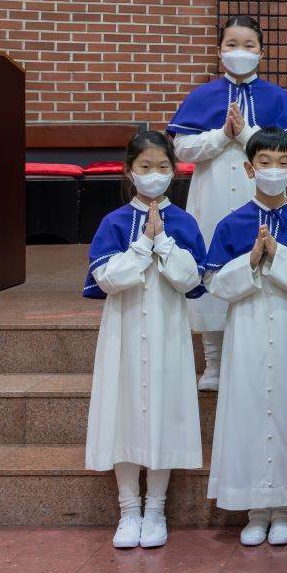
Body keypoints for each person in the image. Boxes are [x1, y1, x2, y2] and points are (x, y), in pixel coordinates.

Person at [202, 128, 287, 548]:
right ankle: (255, 509)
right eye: (265, 162)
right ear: (249, 168)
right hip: (247, 328)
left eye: (282, 163)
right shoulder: (232, 222)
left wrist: (280, 256)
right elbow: (213, 282)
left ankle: (286, 508)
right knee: (247, 410)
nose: (273, 170)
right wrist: (250, 260)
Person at [81, 131, 206, 550]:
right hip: (125, 330)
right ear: (129, 171)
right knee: (123, 412)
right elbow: (107, 278)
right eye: (146, 167)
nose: (155, 174)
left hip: (168, 329)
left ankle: (155, 509)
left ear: (175, 171)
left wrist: (164, 242)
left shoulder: (184, 222)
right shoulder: (114, 222)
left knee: (163, 413)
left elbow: (190, 279)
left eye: (163, 167)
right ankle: (128, 509)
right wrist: (142, 246)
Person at [170, 14, 287, 391]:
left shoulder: (275, 97)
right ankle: (213, 361)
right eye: (231, 44)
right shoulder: (202, 96)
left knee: (256, 266)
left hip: (257, 195)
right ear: (219, 51)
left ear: (261, 52)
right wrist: (220, 136)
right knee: (214, 267)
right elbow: (181, 148)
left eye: (248, 45)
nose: (239, 51)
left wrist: (245, 135)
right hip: (210, 193)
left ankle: (256, 355)